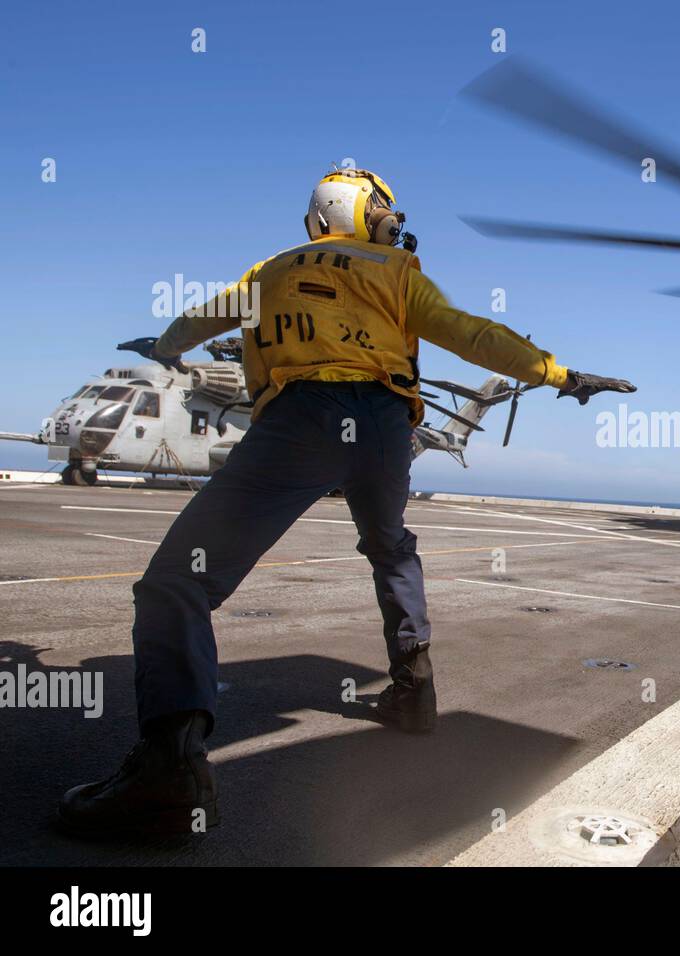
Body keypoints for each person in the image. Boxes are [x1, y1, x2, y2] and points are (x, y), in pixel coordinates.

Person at [58, 168, 635, 837]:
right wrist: (560, 373)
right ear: (370, 215)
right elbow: (473, 333)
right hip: (386, 427)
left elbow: (195, 320)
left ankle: (169, 769)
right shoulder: (395, 268)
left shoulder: (271, 269)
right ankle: (414, 693)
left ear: (317, 217)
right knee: (390, 546)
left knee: (176, 583)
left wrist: (159, 347)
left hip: (303, 419)